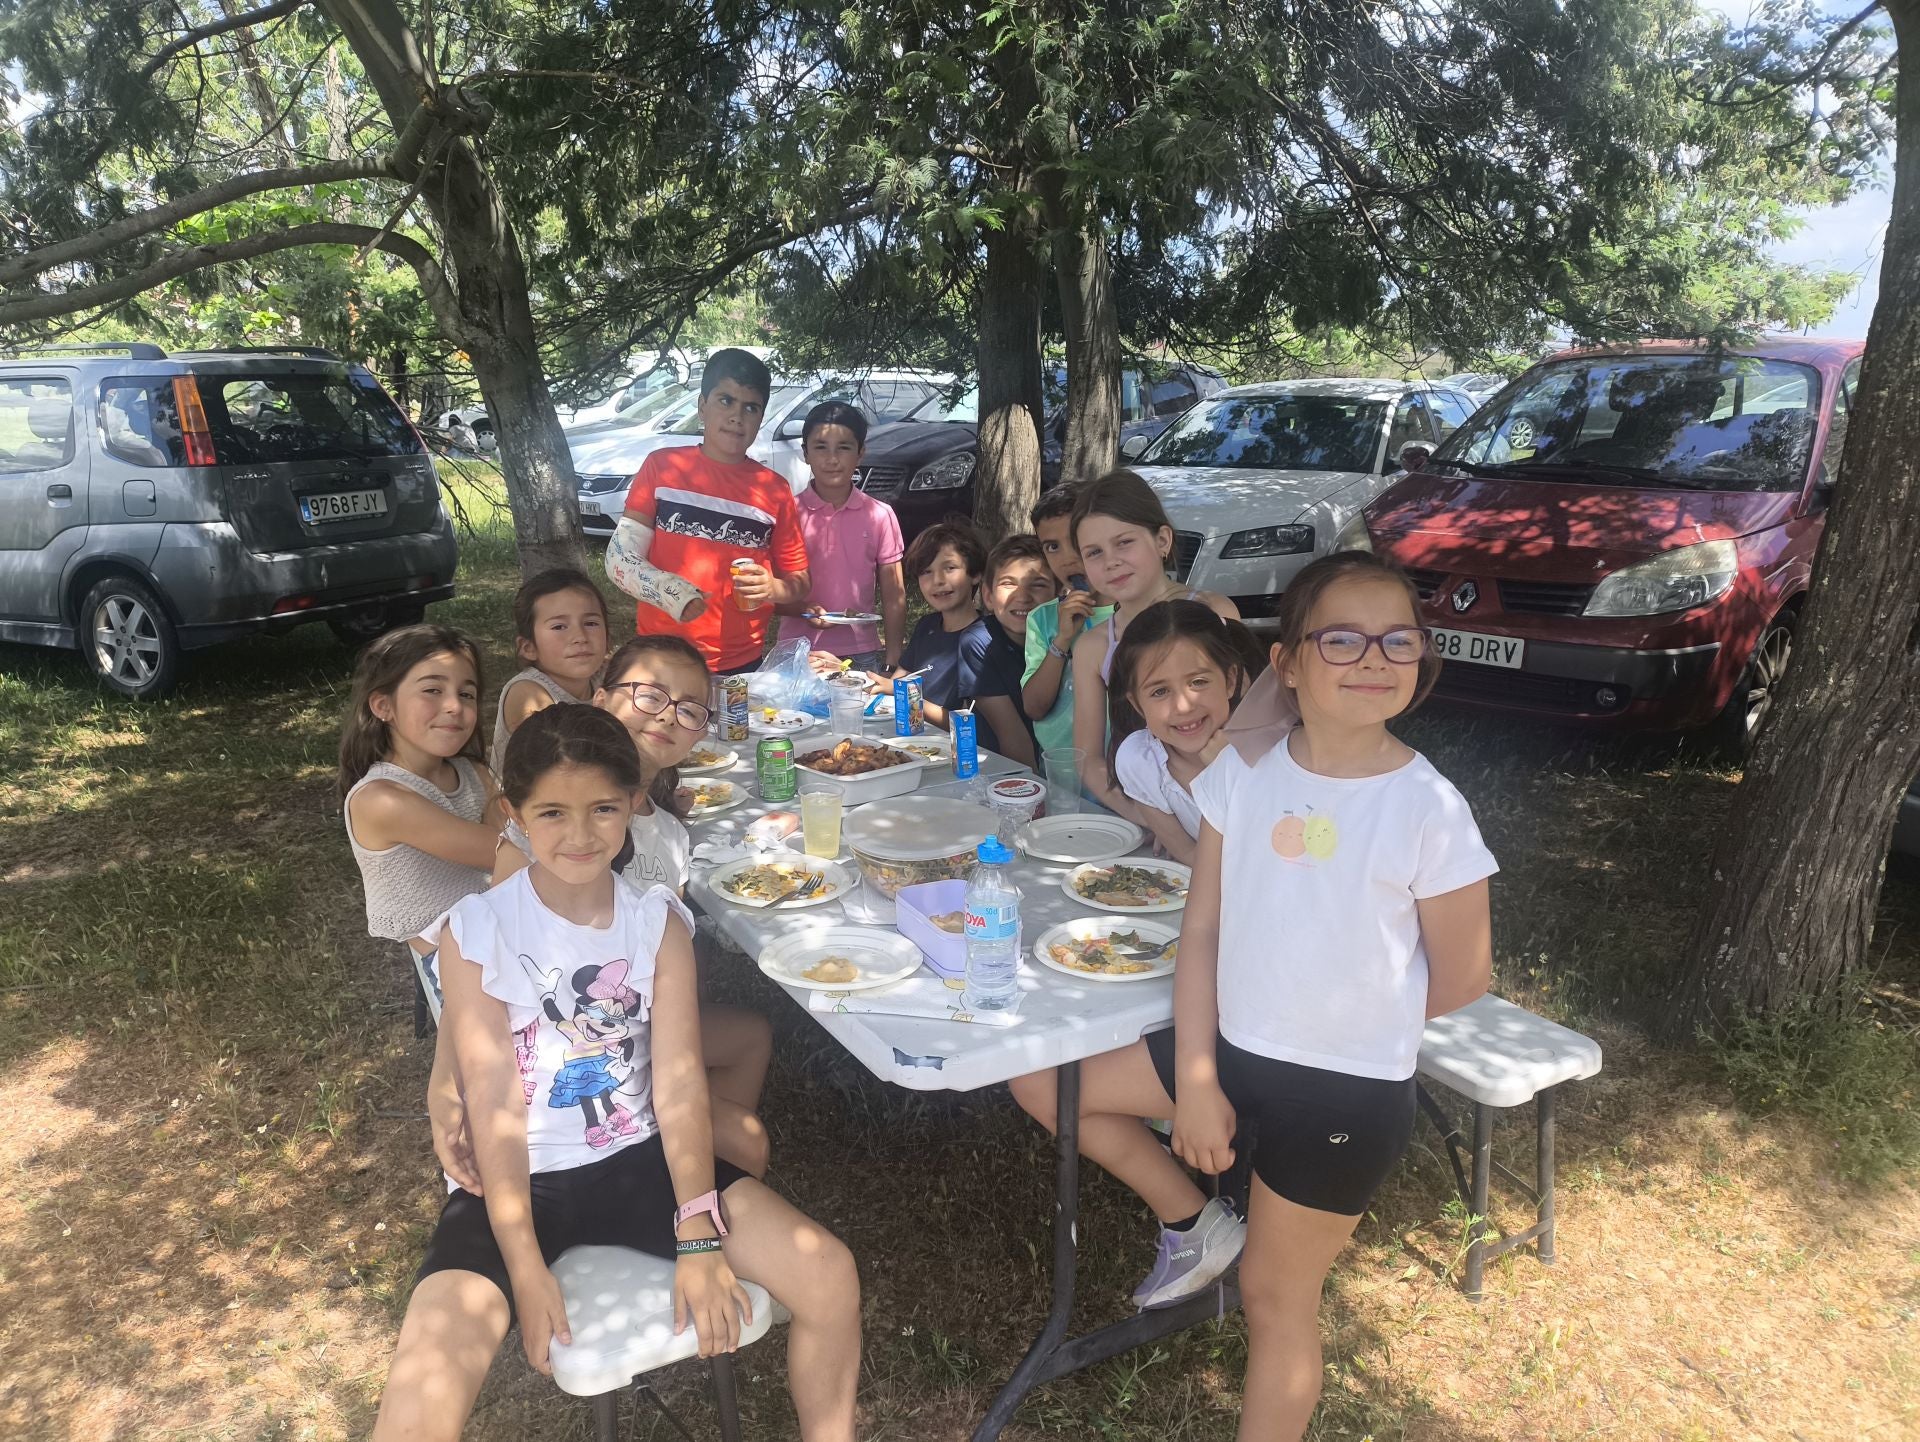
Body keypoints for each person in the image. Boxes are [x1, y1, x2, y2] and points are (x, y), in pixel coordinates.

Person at [1009, 552, 1495, 1441]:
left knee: (1277, 1301)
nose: (1372, 658)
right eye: (1340, 638)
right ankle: (1197, 1222)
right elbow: (1201, 933)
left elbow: (1463, 979)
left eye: (1398, 640)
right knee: (1045, 1084)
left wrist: (1340, 1022)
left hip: (1344, 1093)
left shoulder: (1431, 809)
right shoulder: (1245, 774)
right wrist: (1197, 1080)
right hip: (1228, 1053)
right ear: (1288, 662)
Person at [372, 705, 861, 1442]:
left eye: (603, 808)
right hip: (517, 1184)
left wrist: (697, 1233)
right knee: (419, 1402)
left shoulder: (655, 922)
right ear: (513, 814)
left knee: (829, 1274)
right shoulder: (476, 932)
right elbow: (495, 1104)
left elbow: (679, 1084)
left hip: (640, 1160)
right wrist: (525, 1265)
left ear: (634, 801)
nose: (580, 834)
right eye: (552, 812)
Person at [482, 634, 773, 1178]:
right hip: (569, 1047)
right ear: (601, 700)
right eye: (649, 695)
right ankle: (673, 1159)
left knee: (750, 1036)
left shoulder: (667, 832)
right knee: (747, 1139)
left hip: (645, 1030)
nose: (667, 717)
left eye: (690, 709)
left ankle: (687, 1163)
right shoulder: (539, 837)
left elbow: (676, 963)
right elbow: (496, 969)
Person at [339, 624, 516, 1191]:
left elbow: (508, 835)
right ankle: (475, 1193)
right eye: (432, 690)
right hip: (448, 963)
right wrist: (508, 828)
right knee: (484, 1081)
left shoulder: (473, 772)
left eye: (466, 693)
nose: (454, 707)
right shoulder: (382, 799)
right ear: (383, 705)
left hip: (503, 937)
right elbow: (502, 847)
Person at [605, 348, 811, 674]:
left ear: (761, 418)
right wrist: (674, 595)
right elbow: (620, 559)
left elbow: (799, 581)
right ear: (702, 407)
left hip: (739, 664)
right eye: (725, 400)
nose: (736, 416)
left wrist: (774, 588)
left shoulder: (774, 489)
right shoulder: (662, 467)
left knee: (733, 729)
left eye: (750, 407)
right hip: (660, 656)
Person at [1067, 470, 1238, 813]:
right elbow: (1088, 760)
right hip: (1150, 819)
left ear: (1162, 540)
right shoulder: (1093, 646)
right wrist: (1147, 815)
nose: (1111, 561)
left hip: (1231, 805)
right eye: (1094, 552)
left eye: (1124, 542)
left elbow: (1252, 721)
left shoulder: (1213, 612)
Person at [1105, 600, 1267, 865]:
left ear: (1230, 681)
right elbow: (1192, 857)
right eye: (1160, 691)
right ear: (1137, 704)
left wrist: (1227, 770)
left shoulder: (1272, 753)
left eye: (1198, 682)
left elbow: (1277, 854)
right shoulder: (1139, 762)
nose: (1183, 706)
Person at [775, 401, 908, 674]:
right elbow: (770, 592)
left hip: (861, 652)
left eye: (844, 448)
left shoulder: (880, 515)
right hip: (799, 651)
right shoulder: (787, 513)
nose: (832, 459)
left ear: (860, 453)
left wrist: (893, 657)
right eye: (821, 447)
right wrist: (802, 608)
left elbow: (894, 593)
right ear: (805, 453)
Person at [1021, 486, 1113, 761]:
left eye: (1077, 540)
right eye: (1052, 547)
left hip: (1126, 776)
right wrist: (1061, 640)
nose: (1067, 558)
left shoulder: (1134, 612)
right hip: (1063, 769)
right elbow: (1035, 707)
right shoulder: (1043, 619)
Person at [489, 568, 610, 776]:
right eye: (559, 627)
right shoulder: (528, 692)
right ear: (529, 647)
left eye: (590, 623)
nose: (580, 636)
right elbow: (568, 765)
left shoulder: (603, 681)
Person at [875, 520, 988, 730]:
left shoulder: (983, 641)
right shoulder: (926, 626)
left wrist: (906, 695)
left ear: (976, 574)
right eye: (926, 571)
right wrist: (842, 673)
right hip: (916, 741)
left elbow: (969, 725)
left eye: (950, 568)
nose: (938, 580)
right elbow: (897, 680)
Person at [963, 534, 1056, 769]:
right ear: (988, 597)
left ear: (1059, 594)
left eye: (1038, 584)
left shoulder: (1070, 636)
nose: (1023, 597)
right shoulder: (979, 642)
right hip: (1009, 772)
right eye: (1008, 583)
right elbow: (1013, 737)